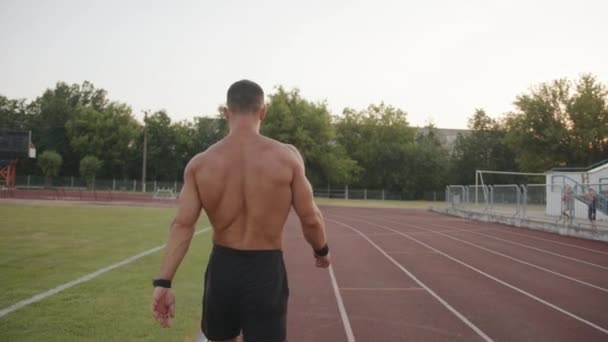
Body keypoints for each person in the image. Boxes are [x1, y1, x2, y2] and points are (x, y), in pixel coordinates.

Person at [151, 80, 330, 342]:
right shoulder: (287, 158)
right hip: (266, 269)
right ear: (263, 111)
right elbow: (311, 219)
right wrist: (321, 251)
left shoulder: (200, 164)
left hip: (223, 268)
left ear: (226, 112)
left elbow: (182, 225)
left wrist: (163, 282)